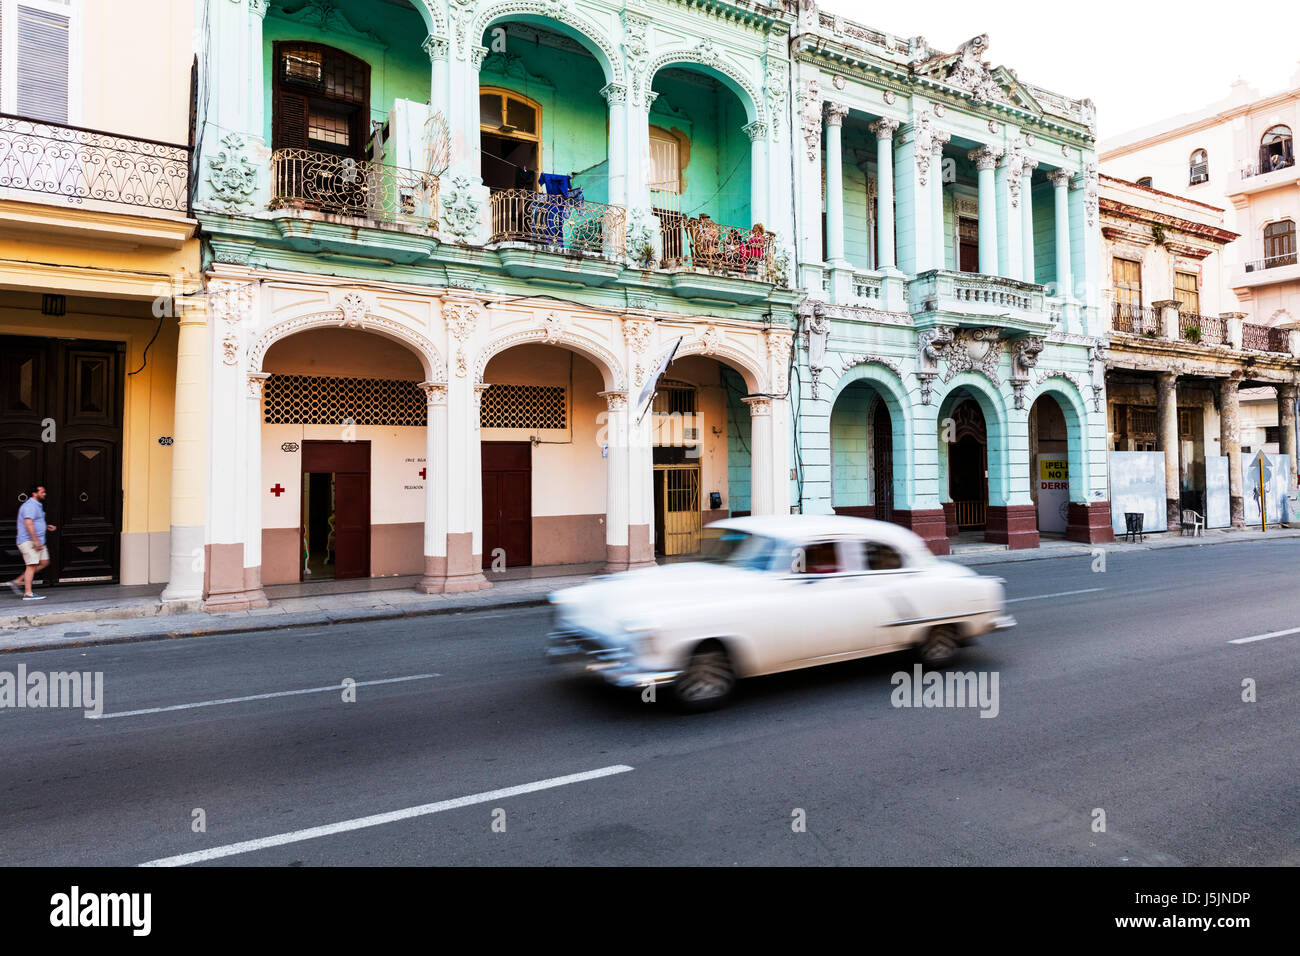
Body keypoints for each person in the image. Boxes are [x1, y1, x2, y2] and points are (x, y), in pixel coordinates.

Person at [10, 484, 55, 601]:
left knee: (44, 562)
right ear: (34, 493)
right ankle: (28, 593)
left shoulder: (37, 505)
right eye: (42, 492)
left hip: (38, 540)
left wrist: (45, 526)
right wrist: (35, 541)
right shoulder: (30, 506)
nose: (44, 494)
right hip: (29, 541)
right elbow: (28, 524)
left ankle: (18, 581)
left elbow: (35, 522)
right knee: (31, 566)